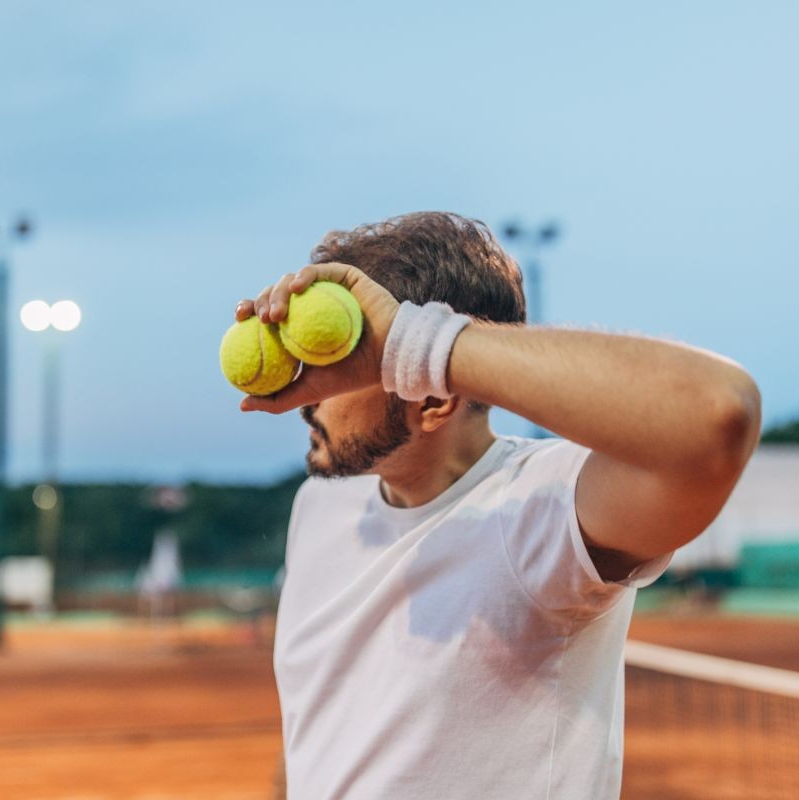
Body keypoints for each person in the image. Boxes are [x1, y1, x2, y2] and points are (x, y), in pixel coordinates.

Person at [234, 212, 761, 799]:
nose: (307, 396)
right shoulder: (320, 506)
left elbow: (718, 415)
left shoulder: (540, 509)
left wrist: (416, 339)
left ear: (431, 395)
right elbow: (314, 738)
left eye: (338, 366)